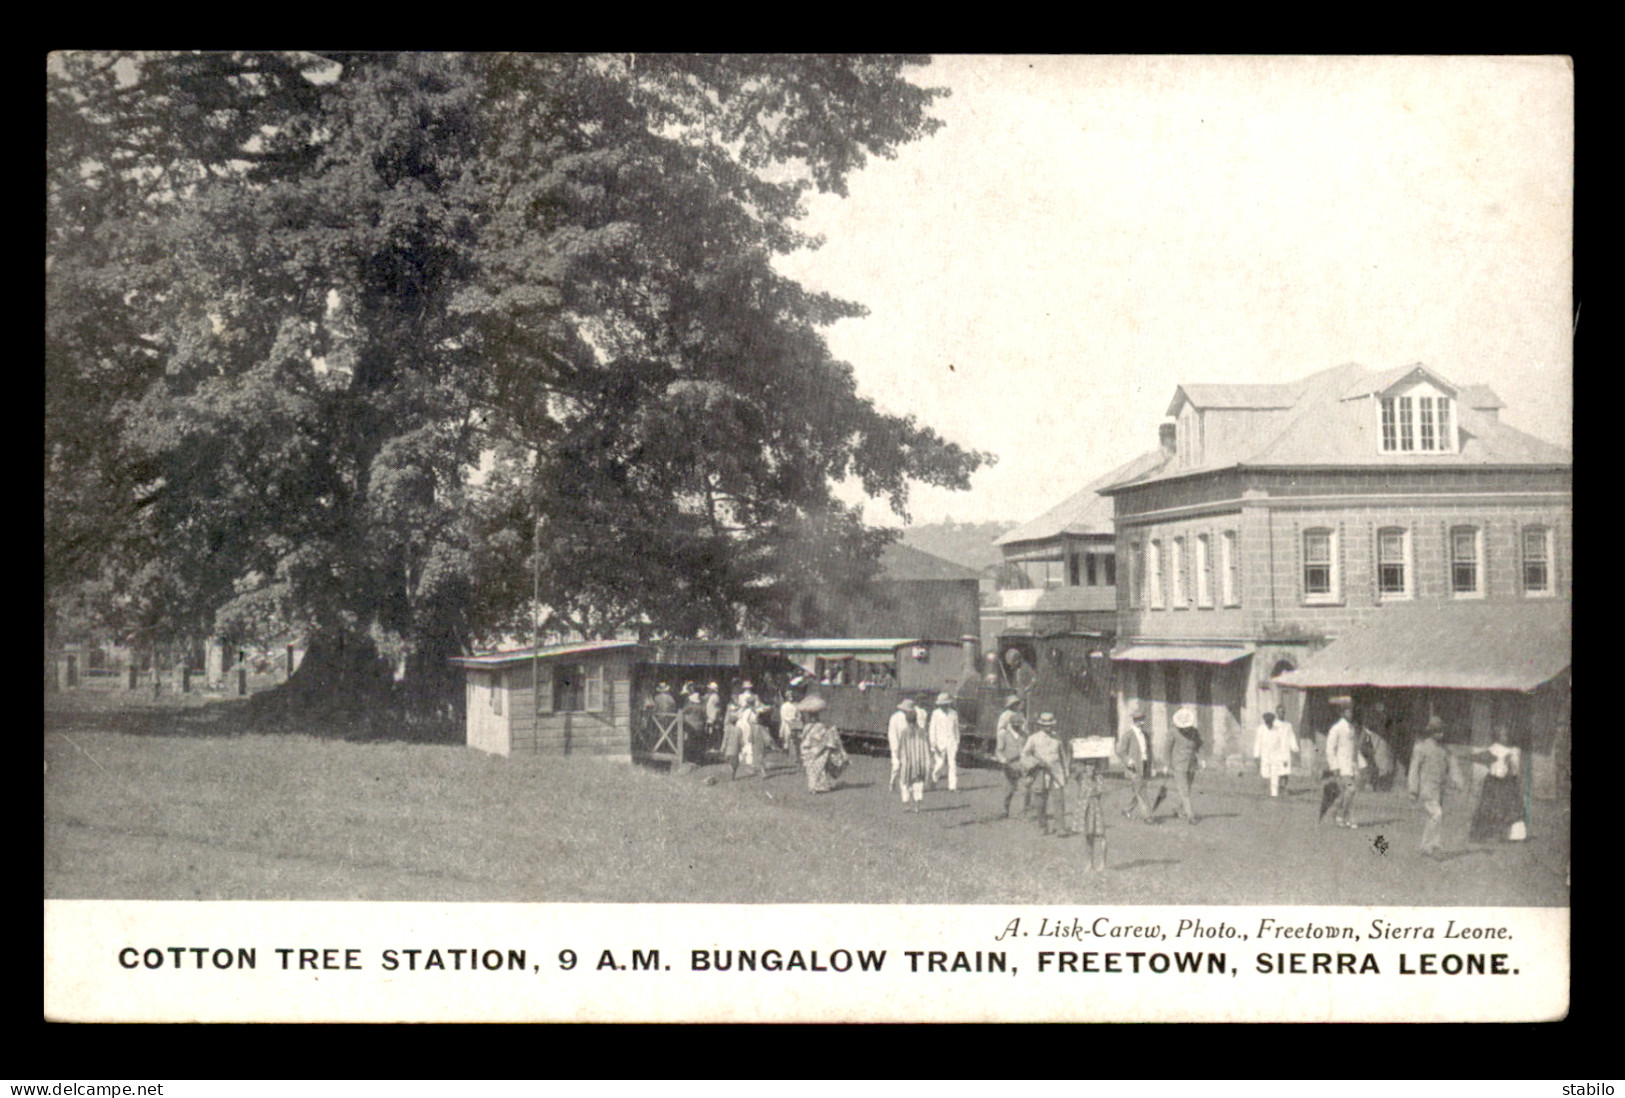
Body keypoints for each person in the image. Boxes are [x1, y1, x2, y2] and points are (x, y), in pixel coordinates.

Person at [1408, 715, 1453, 857]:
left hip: (1439, 789)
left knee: (1433, 817)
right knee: (1436, 815)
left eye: (1442, 731)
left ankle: (1426, 846)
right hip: (1426, 788)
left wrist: (1450, 782)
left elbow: (1446, 769)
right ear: (1431, 732)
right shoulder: (1421, 748)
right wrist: (1413, 789)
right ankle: (1433, 846)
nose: (1441, 734)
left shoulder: (1443, 750)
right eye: (1437, 731)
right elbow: (1414, 769)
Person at [1021, 713, 1071, 836]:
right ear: (1040, 725)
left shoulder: (1057, 738)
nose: (1048, 728)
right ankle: (1042, 826)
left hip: (1056, 774)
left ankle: (1060, 828)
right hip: (1040, 773)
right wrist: (1036, 762)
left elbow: (1063, 756)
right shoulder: (1033, 738)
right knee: (1040, 801)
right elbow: (1025, 755)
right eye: (1045, 726)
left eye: (1050, 725)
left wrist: (1066, 771)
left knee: (1059, 800)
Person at [1469, 732, 1524, 843]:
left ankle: (1506, 834)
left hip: (1506, 781)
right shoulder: (1495, 748)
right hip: (1493, 781)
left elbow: (1515, 770)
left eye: (1505, 735)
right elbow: (1482, 757)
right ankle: (1484, 834)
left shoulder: (1513, 751)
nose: (1505, 737)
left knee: (1507, 808)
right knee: (1489, 807)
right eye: (1502, 735)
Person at [1158, 706, 1203, 825]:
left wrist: (1201, 759)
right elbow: (1167, 749)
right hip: (1178, 765)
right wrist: (1166, 764)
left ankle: (1178, 809)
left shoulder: (1194, 732)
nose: (1186, 729)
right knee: (1184, 791)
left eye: (1187, 726)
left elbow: (1199, 745)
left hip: (1192, 764)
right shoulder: (1173, 732)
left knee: (1187, 788)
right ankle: (1190, 816)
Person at [992, 698, 1035, 818]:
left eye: (1019, 725)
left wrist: (1030, 760)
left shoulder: (1025, 735)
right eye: (1015, 726)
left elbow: (1029, 749)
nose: (1017, 727)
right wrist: (1003, 760)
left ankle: (1023, 812)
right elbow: (999, 750)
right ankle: (1005, 810)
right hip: (1010, 765)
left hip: (1023, 764)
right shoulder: (1004, 734)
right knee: (1009, 789)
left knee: (1025, 789)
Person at [798, 696, 848, 793]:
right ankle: (817, 786)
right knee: (819, 768)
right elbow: (823, 737)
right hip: (817, 750)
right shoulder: (820, 726)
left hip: (811, 750)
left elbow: (807, 738)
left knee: (813, 769)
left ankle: (814, 787)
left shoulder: (808, 726)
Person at [1324, 698, 1361, 828]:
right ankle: (1343, 815)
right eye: (1347, 711)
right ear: (1342, 713)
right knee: (1351, 790)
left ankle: (1342, 815)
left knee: (1349, 793)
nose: (1350, 714)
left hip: (1351, 766)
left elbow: (1353, 747)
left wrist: (1358, 764)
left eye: (1351, 711)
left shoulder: (1352, 728)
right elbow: (1330, 748)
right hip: (1341, 766)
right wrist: (1334, 766)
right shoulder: (1336, 728)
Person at [1115, 703, 1155, 822]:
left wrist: (1152, 767)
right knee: (1141, 790)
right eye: (1138, 720)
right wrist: (1128, 760)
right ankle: (1148, 816)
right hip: (1133, 767)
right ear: (1134, 721)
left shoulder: (1146, 735)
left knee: (1140, 789)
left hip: (1145, 764)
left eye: (1142, 719)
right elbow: (1121, 751)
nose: (1141, 722)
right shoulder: (1128, 735)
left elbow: (1149, 752)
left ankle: (1127, 809)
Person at [891, 698, 932, 812]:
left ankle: (906, 804)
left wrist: (898, 758)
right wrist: (927, 760)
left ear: (907, 720)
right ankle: (917, 805)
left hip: (907, 762)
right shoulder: (922, 732)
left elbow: (900, 748)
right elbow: (926, 747)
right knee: (918, 784)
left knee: (904, 783)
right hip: (919, 762)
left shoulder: (904, 733)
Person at [1252, 709, 1299, 799]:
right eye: (1267, 723)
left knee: (1277, 773)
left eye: (1270, 723)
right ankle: (1266, 790)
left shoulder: (1278, 729)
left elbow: (1282, 743)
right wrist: (1256, 755)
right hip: (1265, 754)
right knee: (1265, 773)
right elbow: (1257, 743)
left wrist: (1285, 755)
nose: (1269, 725)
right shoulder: (1261, 729)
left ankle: (1275, 794)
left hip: (1276, 755)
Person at [1079, 758, 1109, 870]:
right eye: (1088, 765)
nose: (1090, 768)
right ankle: (1089, 863)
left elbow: (1100, 792)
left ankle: (1103, 863)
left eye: (1092, 765)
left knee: (1101, 835)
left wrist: (1093, 790)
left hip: (1096, 807)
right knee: (1088, 836)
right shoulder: (1083, 779)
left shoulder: (1098, 778)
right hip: (1086, 808)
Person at [928, 692, 961, 792]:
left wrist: (957, 741)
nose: (943, 706)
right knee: (940, 763)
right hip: (939, 742)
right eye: (942, 705)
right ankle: (934, 778)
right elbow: (932, 729)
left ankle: (952, 787)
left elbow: (956, 729)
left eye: (945, 704)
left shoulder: (953, 713)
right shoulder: (936, 714)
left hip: (951, 742)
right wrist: (933, 744)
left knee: (952, 764)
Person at [887, 697, 917, 793]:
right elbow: (892, 733)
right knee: (896, 766)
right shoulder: (895, 717)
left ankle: (908, 785)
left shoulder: (912, 718)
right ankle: (892, 781)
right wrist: (895, 748)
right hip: (897, 745)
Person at [779, 690, 805, 767]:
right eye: (789, 696)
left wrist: (797, 719)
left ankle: (797, 758)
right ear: (787, 698)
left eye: (792, 696)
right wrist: (790, 720)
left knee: (797, 741)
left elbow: (799, 714)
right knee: (788, 739)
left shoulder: (795, 705)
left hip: (795, 724)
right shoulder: (784, 706)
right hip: (787, 724)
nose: (791, 698)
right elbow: (783, 716)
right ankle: (788, 755)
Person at [704, 682, 724, 753]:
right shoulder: (711, 697)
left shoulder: (715, 697)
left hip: (712, 717)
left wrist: (714, 717)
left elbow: (717, 709)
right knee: (710, 732)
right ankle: (711, 747)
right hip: (710, 717)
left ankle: (713, 747)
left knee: (712, 733)